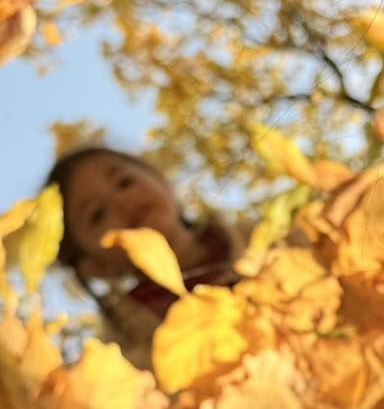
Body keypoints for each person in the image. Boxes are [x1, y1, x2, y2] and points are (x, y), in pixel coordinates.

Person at [45, 146, 246, 365]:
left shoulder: (257, 237)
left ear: (161, 179)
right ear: (96, 267)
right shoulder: (126, 346)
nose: (122, 201)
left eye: (124, 182)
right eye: (98, 214)